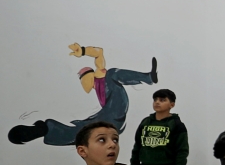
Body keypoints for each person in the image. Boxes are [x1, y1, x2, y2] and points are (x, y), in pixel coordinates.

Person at [8, 44, 157, 146]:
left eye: (83, 75)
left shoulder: (101, 77)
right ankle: (44, 131)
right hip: (108, 117)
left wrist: (83, 51)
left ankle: (148, 77)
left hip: (114, 111)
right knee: (84, 128)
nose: (82, 79)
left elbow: (99, 53)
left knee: (112, 73)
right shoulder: (96, 87)